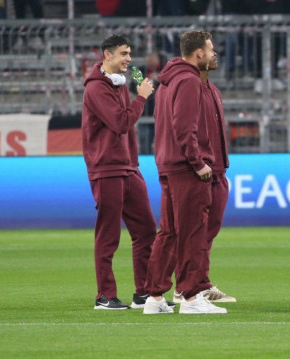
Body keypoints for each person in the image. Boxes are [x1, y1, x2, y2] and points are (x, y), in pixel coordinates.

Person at [142, 30, 227, 314]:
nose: (214, 53)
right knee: (192, 232)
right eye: (211, 49)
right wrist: (198, 162)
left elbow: (165, 124)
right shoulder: (190, 81)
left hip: (168, 164)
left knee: (169, 233)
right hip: (186, 168)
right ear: (198, 53)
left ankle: (154, 297)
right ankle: (191, 297)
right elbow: (184, 126)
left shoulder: (167, 82)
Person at [82, 34, 158, 310]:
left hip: (127, 167)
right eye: (124, 53)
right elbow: (121, 122)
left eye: (129, 53)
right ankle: (104, 295)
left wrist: (133, 162)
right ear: (107, 55)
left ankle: (145, 293)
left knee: (147, 230)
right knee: (108, 234)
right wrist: (142, 99)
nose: (129, 58)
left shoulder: (119, 84)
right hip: (107, 169)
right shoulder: (96, 89)